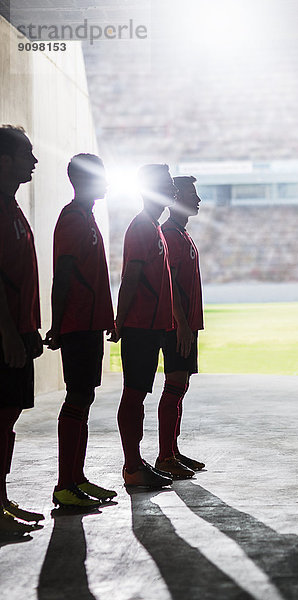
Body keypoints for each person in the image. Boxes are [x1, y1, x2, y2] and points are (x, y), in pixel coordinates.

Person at [45, 154, 117, 507]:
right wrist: (58, 326)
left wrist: (107, 317)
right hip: (76, 325)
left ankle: (76, 477)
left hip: (89, 324)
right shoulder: (73, 218)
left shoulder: (86, 217)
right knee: (76, 399)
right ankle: (64, 484)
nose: (106, 182)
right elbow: (64, 276)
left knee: (83, 399)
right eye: (101, 177)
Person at [115, 164, 178, 487]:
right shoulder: (142, 226)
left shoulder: (152, 227)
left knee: (138, 395)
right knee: (134, 395)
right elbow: (131, 277)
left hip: (151, 327)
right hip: (140, 325)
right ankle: (131, 465)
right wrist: (121, 320)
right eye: (167, 184)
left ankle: (135, 462)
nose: (173, 189)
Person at [0, 125, 44, 535]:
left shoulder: (14, 208)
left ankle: (1, 498)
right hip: (5, 335)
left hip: (20, 330)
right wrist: (10, 334)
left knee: (8, 418)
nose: (34, 161)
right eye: (26, 153)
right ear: (4, 159)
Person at [157, 176, 205, 477]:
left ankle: (172, 451)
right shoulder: (169, 235)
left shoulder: (181, 234)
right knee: (174, 386)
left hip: (187, 324)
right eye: (192, 193)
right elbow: (169, 283)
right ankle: (164, 455)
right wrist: (182, 324)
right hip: (178, 326)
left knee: (181, 387)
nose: (198, 199)